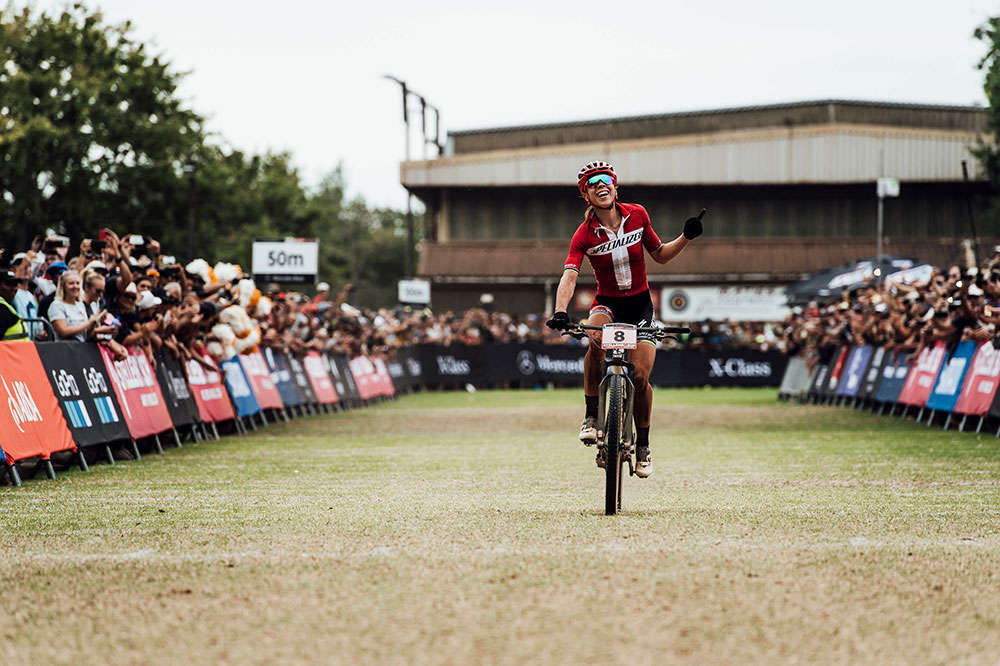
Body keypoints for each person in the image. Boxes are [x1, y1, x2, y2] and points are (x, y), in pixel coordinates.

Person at [545, 161, 703, 478]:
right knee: (595, 342)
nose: (600, 185)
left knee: (642, 377)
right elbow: (570, 274)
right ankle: (591, 417)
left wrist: (686, 236)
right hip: (608, 304)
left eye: (605, 180)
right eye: (592, 184)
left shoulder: (638, 215)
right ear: (586, 195)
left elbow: (659, 254)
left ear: (616, 187)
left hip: (640, 306)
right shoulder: (583, 235)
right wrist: (561, 311)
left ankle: (643, 446)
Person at [48, 270, 104, 341]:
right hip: (65, 348)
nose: (75, 286)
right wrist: (88, 323)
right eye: (71, 283)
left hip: (81, 347)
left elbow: (86, 335)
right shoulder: (56, 305)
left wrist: (93, 324)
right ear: (63, 286)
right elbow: (63, 331)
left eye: (77, 283)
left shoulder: (80, 305)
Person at [0, 270, 28, 341]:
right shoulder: (1, 309)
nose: (14, 289)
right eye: (9, 284)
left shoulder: (6, 306)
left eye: (15, 284)